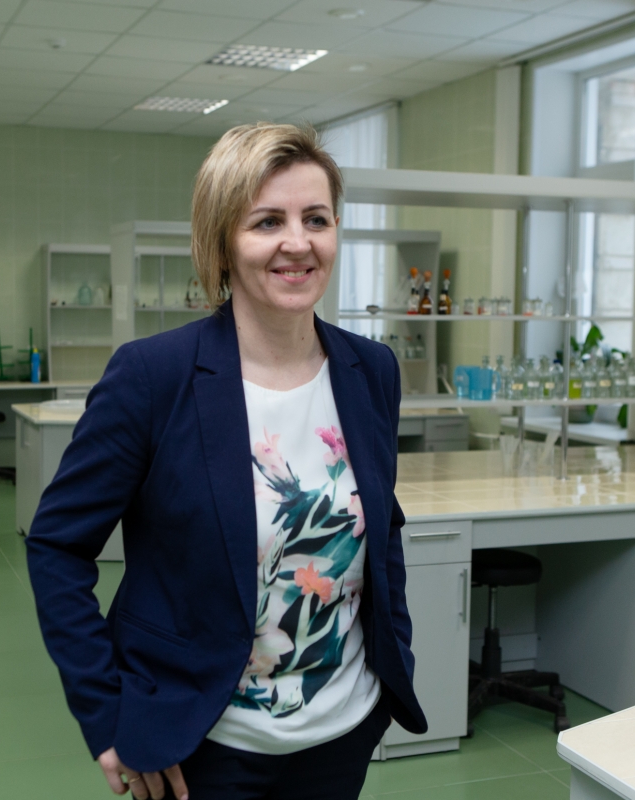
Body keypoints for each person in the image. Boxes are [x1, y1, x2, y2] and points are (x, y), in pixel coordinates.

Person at [27, 122, 426, 800]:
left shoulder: (370, 370)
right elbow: (57, 548)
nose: (297, 242)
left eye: (316, 219)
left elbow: (380, 529)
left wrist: (395, 660)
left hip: (342, 731)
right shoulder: (154, 377)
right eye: (267, 221)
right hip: (201, 747)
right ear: (221, 243)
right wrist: (108, 711)